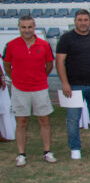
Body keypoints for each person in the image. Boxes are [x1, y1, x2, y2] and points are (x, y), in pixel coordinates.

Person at [2, 15, 56, 166]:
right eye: (23, 27)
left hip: (40, 88)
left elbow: (49, 64)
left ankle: (47, 151)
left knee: (44, 120)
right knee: (21, 122)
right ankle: (21, 154)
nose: (27, 30)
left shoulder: (43, 45)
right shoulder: (11, 45)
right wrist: (15, 78)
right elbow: (6, 65)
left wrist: (40, 77)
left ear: (34, 27)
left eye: (30, 27)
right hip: (20, 89)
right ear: (19, 28)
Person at [56, 9, 90, 159]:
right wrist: (64, 83)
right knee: (72, 119)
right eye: (80, 20)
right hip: (74, 85)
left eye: (85, 20)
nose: (82, 23)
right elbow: (59, 62)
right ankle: (75, 148)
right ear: (75, 21)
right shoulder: (66, 38)